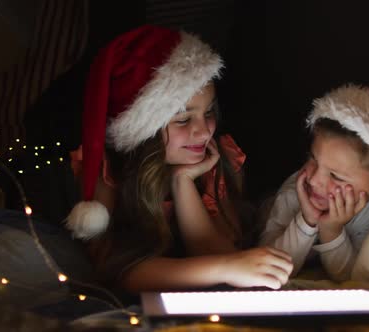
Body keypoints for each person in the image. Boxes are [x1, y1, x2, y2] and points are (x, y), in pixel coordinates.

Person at [64, 25, 293, 294]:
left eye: (209, 113)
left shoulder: (215, 160)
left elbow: (219, 252)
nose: (204, 130)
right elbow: (115, 271)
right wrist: (225, 267)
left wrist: (182, 182)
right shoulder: (112, 172)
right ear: (145, 130)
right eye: (183, 119)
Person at [260, 84, 369, 282]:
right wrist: (307, 220)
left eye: (336, 176)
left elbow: (352, 279)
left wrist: (331, 230)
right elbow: (268, 268)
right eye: (313, 159)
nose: (315, 180)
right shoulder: (296, 190)